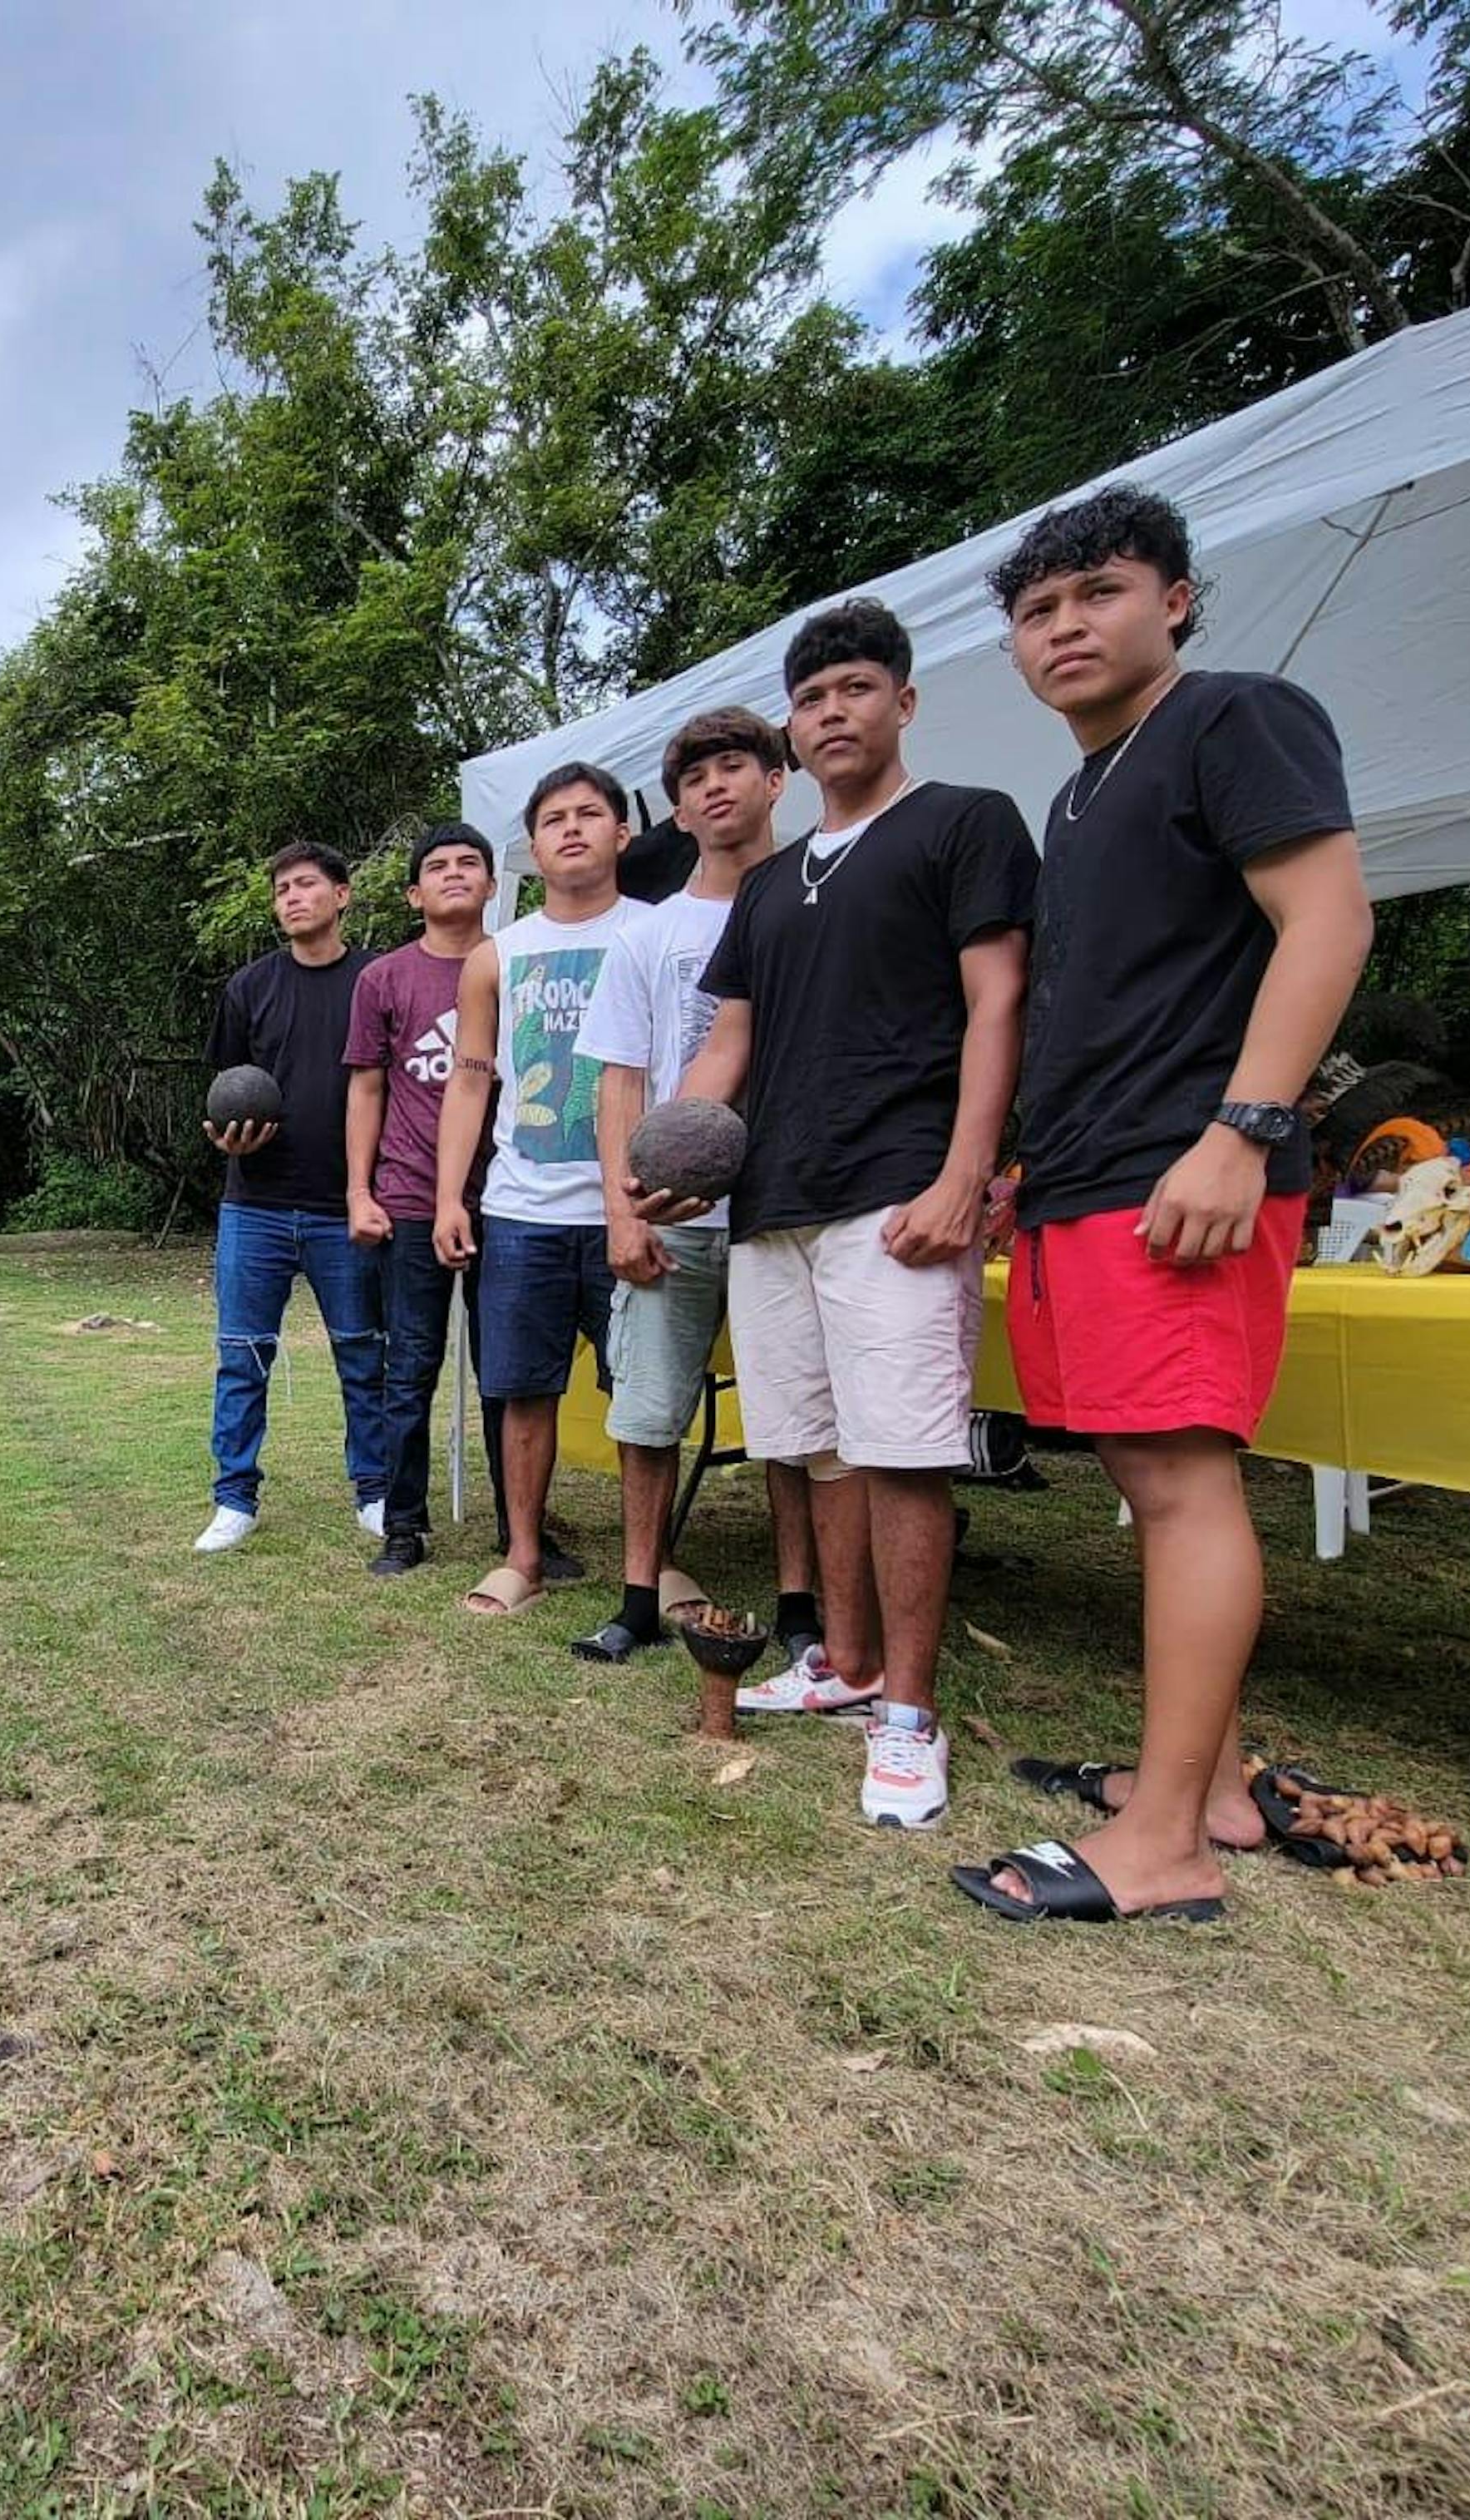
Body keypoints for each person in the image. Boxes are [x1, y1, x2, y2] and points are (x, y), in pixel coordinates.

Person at [955, 485, 1371, 1928]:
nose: (1067, 627)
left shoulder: (1234, 719)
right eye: (1037, 611)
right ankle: (1202, 1789)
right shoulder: (1084, 791)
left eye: (1101, 594)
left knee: (1187, 1486)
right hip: (1090, 1177)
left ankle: (1169, 1855)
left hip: (1182, 1174)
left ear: (1178, 600)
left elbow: (1328, 918)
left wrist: (1244, 1129)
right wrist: (1029, 1166)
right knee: (1148, 1484)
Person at [643, 600, 1035, 1832]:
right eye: (812, 699)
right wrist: (669, 1151)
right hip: (775, 1205)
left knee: (903, 1447)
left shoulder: (964, 824)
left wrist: (967, 1174)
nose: (834, 714)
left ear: (903, 703)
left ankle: (908, 1717)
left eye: (857, 689)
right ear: (794, 732)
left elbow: (999, 1003)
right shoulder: (767, 889)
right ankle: (843, 1663)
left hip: (901, 1189)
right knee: (807, 1446)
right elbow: (734, 1045)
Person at [567, 706, 821, 1685]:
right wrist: (622, 1211)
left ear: (774, 780)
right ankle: (637, 1598)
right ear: (676, 808)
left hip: (785, 1208)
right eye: (694, 777)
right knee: (647, 1411)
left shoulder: (813, 903)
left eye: (733, 766)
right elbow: (618, 1078)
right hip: (673, 1219)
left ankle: (800, 1608)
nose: (714, 786)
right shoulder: (651, 932)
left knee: (792, 1420)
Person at [433, 764, 651, 1615]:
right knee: (521, 1390)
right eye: (552, 818)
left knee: (642, 1394)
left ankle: (649, 1563)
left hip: (630, 1207)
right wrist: (452, 1196)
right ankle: (520, 1553)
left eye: (588, 814)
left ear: (621, 834)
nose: (570, 829)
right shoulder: (497, 954)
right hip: (520, 1209)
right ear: (531, 845)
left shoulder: (655, 933)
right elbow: (470, 1078)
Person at [195, 842, 392, 1554]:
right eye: (281, 890)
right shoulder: (249, 987)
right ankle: (234, 1499)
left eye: (306, 885)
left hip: (351, 1205)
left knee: (364, 1358)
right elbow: (224, 1094)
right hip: (256, 1204)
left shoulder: (378, 977)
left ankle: (375, 1491)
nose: (291, 898)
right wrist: (226, 1139)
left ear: (341, 895)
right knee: (241, 1355)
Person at [347, 823, 523, 1577]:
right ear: (415, 893)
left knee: (508, 1370)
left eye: (469, 864)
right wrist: (359, 1190)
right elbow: (366, 1085)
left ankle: (522, 1528)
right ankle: (404, 1525)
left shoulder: (520, 962)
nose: (454, 874)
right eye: (438, 867)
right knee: (409, 1367)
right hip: (411, 1198)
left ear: (492, 885)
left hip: (512, 1196)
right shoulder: (384, 978)